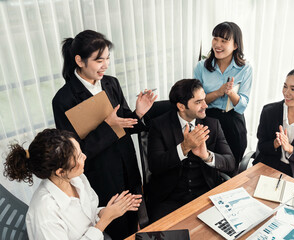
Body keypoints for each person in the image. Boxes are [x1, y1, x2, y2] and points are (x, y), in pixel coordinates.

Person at [52, 30, 156, 239]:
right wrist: (108, 126)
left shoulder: (111, 83)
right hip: (102, 175)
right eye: (99, 60)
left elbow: (124, 122)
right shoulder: (63, 99)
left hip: (128, 165)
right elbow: (74, 152)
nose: (105, 65)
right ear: (79, 61)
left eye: (107, 58)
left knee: (134, 218)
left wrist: (138, 113)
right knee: (115, 228)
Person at [3, 128, 142, 240]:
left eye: (81, 152)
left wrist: (104, 212)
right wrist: (105, 221)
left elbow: (88, 216)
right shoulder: (46, 213)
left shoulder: (77, 179)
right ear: (60, 171)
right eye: (79, 157)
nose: (85, 157)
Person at [146, 79, 235, 222]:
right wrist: (184, 147)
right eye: (198, 102)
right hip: (169, 197)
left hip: (206, 192)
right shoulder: (159, 126)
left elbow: (230, 163)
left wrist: (207, 156)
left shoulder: (213, 124)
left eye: (204, 100)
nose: (205, 105)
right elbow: (155, 165)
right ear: (181, 106)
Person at [194, 21, 252, 173]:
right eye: (215, 39)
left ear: (235, 45)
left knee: (232, 167)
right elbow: (196, 101)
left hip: (233, 121)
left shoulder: (245, 69)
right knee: (208, 168)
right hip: (208, 120)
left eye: (224, 41)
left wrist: (231, 93)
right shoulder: (201, 67)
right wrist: (218, 93)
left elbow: (242, 105)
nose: (217, 44)